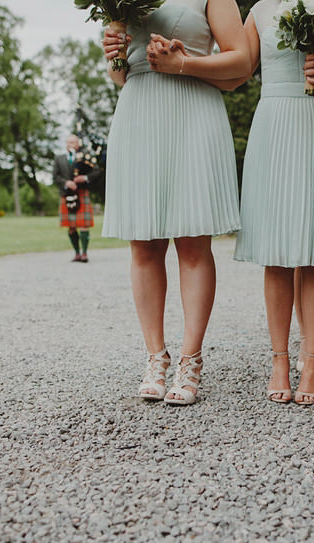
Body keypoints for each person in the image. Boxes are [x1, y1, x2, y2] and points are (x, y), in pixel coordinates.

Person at [101, 0, 250, 404]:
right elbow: (121, 76)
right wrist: (113, 53)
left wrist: (183, 64)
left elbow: (242, 63)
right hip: (139, 112)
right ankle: (155, 356)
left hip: (193, 112)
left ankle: (190, 359)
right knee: (144, 242)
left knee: (192, 242)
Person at [233, 0, 314, 405]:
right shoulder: (259, 10)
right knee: (276, 255)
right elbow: (238, 68)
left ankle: (311, 363)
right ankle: (278, 361)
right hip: (274, 126)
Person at [53, 134, 96, 262]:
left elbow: (96, 171)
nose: (70, 144)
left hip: (82, 193)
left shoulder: (85, 157)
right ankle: (77, 253)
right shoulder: (59, 158)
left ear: (78, 144)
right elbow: (55, 177)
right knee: (71, 226)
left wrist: (85, 178)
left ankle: (84, 253)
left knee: (83, 225)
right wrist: (66, 183)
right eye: (68, 142)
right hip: (67, 195)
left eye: (73, 142)